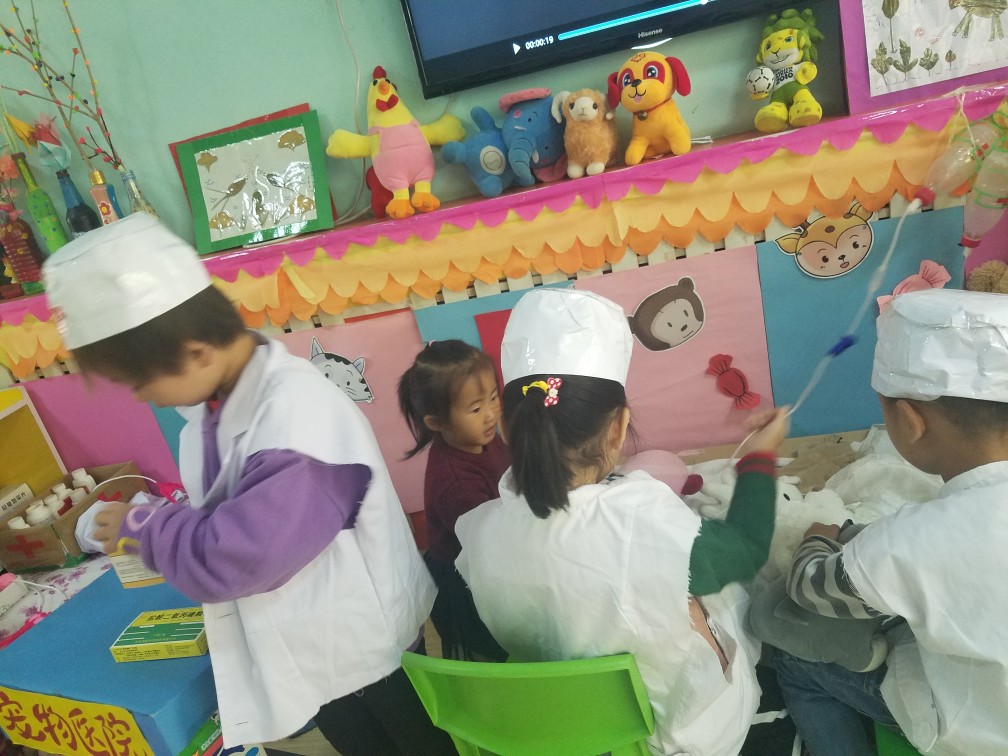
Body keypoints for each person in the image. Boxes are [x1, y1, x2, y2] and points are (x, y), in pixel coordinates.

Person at [42, 214, 453, 756]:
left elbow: (239, 555)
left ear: (196, 352)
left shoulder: (296, 418)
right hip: (318, 639)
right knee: (358, 740)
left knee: (411, 741)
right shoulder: (219, 403)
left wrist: (145, 527)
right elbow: (231, 505)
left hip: (361, 642)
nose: (141, 397)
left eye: (140, 382)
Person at [454, 288, 791, 755]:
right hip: (667, 737)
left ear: (508, 429)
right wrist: (759, 456)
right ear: (617, 428)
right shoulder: (644, 526)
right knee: (734, 602)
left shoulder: (477, 532)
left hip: (561, 727)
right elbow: (747, 549)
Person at [773, 288, 1008, 755]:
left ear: (909, 422)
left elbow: (810, 586)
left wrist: (819, 535)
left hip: (982, 733)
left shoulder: (913, 541)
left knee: (796, 662)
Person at [398, 340, 508, 661]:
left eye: (493, 397)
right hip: (465, 580)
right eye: (475, 409)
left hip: (489, 553)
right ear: (436, 422)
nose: (491, 414)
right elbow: (489, 543)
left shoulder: (481, 437)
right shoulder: (455, 482)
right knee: (491, 655)